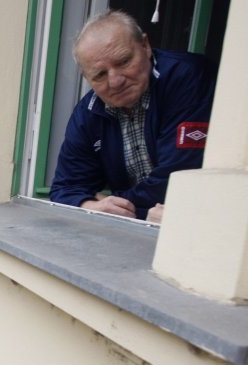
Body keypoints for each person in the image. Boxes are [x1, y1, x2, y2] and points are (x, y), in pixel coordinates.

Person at [49, 10, 216, 222]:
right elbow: (64, 188)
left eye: (124, 62)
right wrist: (91, 206)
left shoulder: (187, 77)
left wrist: (118, 207)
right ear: (86, 78)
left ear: (145, 46)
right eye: (100, 75)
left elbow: (177, 180)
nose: (115, 81)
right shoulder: (88, 113)